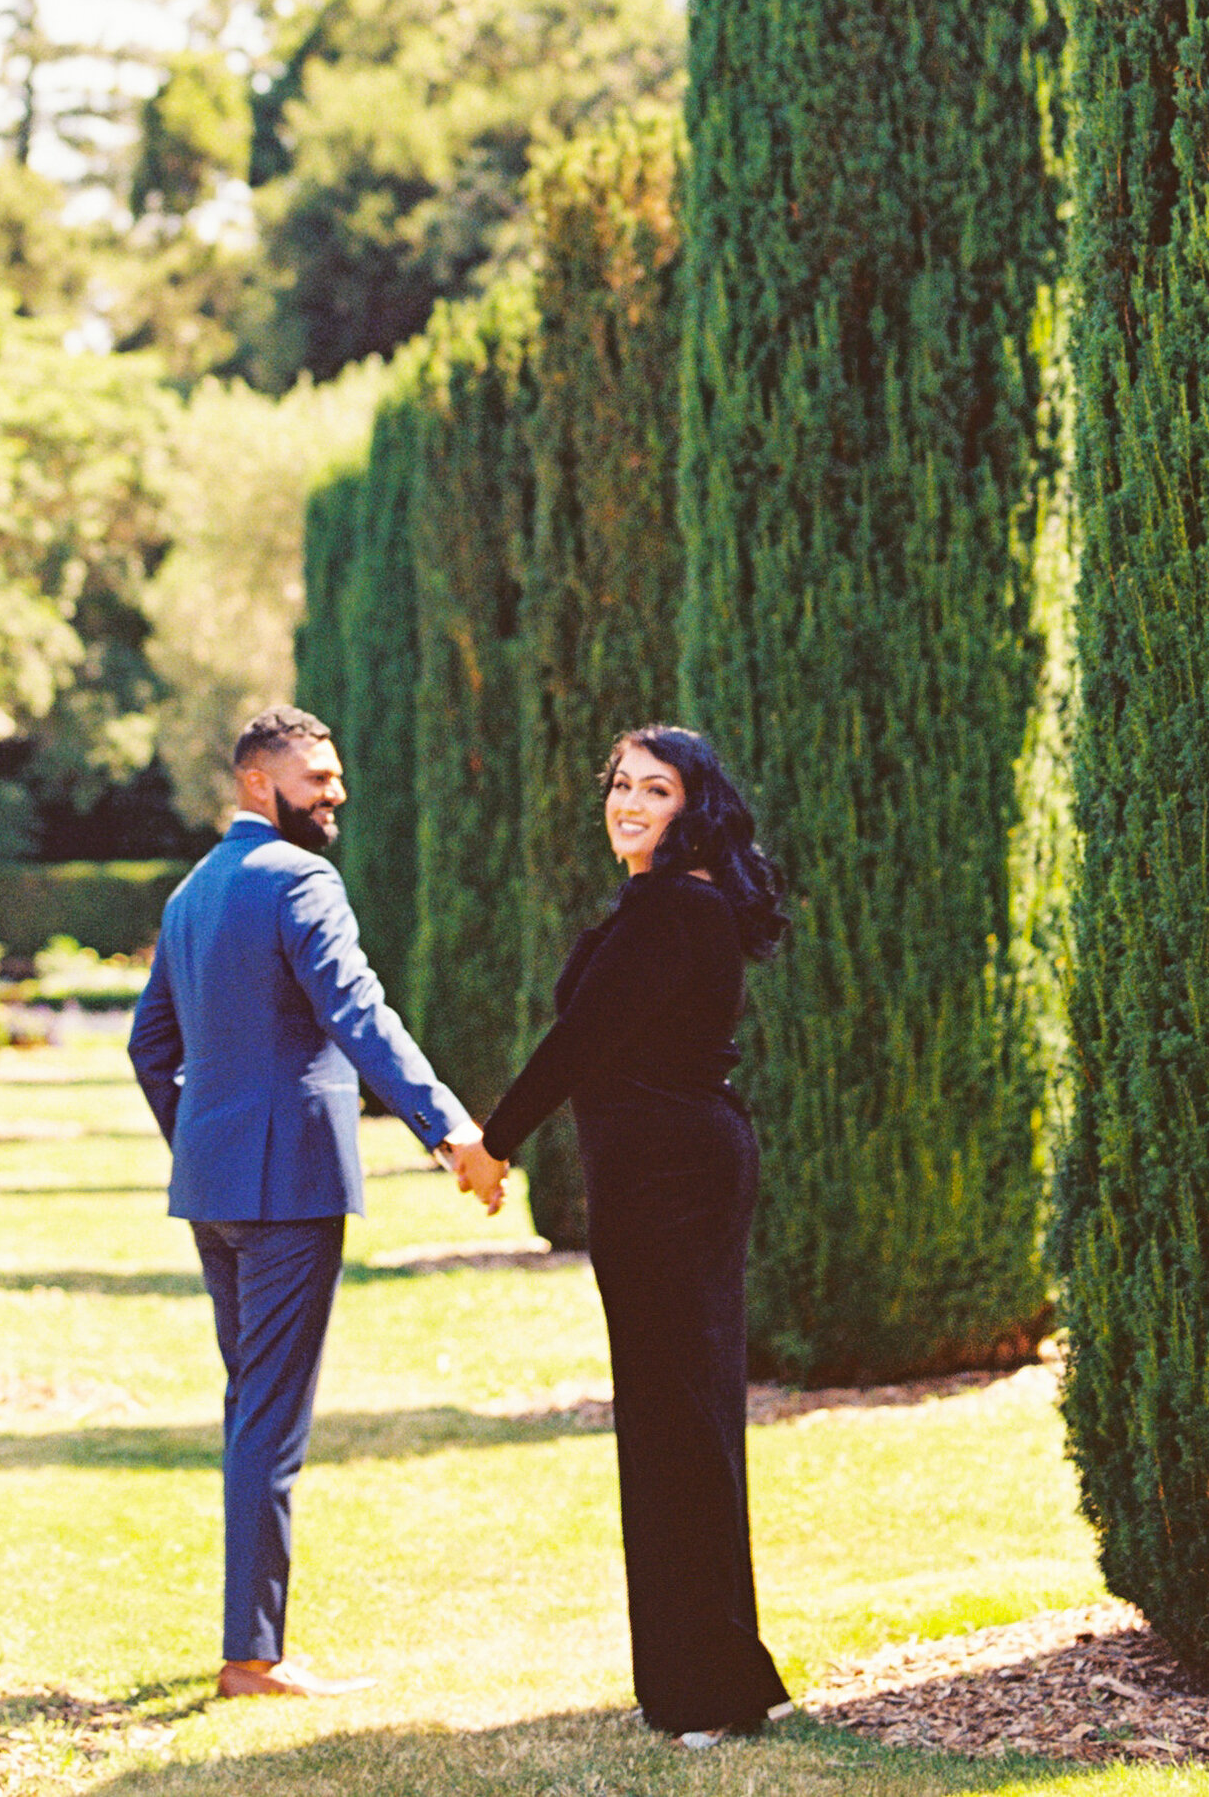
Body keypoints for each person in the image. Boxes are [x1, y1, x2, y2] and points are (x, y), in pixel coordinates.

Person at [128, 703, 507, 1700]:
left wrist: (203, 1146)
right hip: (288, 1186)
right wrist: (452, 1129)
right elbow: (358, 1012)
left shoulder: (191, 893)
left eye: (336, 778)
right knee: (270, 1418)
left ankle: (251, 1643)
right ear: (260, 783)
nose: (334, 796)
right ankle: (252, 1658)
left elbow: (149, 1050)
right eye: (316, 778)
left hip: (217, 1187)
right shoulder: (300, 879)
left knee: (251, 1408)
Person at [477, 724, 792, 1745]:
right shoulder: (661, 902)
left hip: (672, 1186)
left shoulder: (670, 907)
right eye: (619, 784)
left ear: (689, 808)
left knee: (677, 1424)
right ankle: (699, 1680)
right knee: (673, 1419)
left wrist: (493, 1144)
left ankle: (708, 1690)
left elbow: (579, 1042)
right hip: (666, 1176)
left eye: (652, 790)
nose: (627, 803)